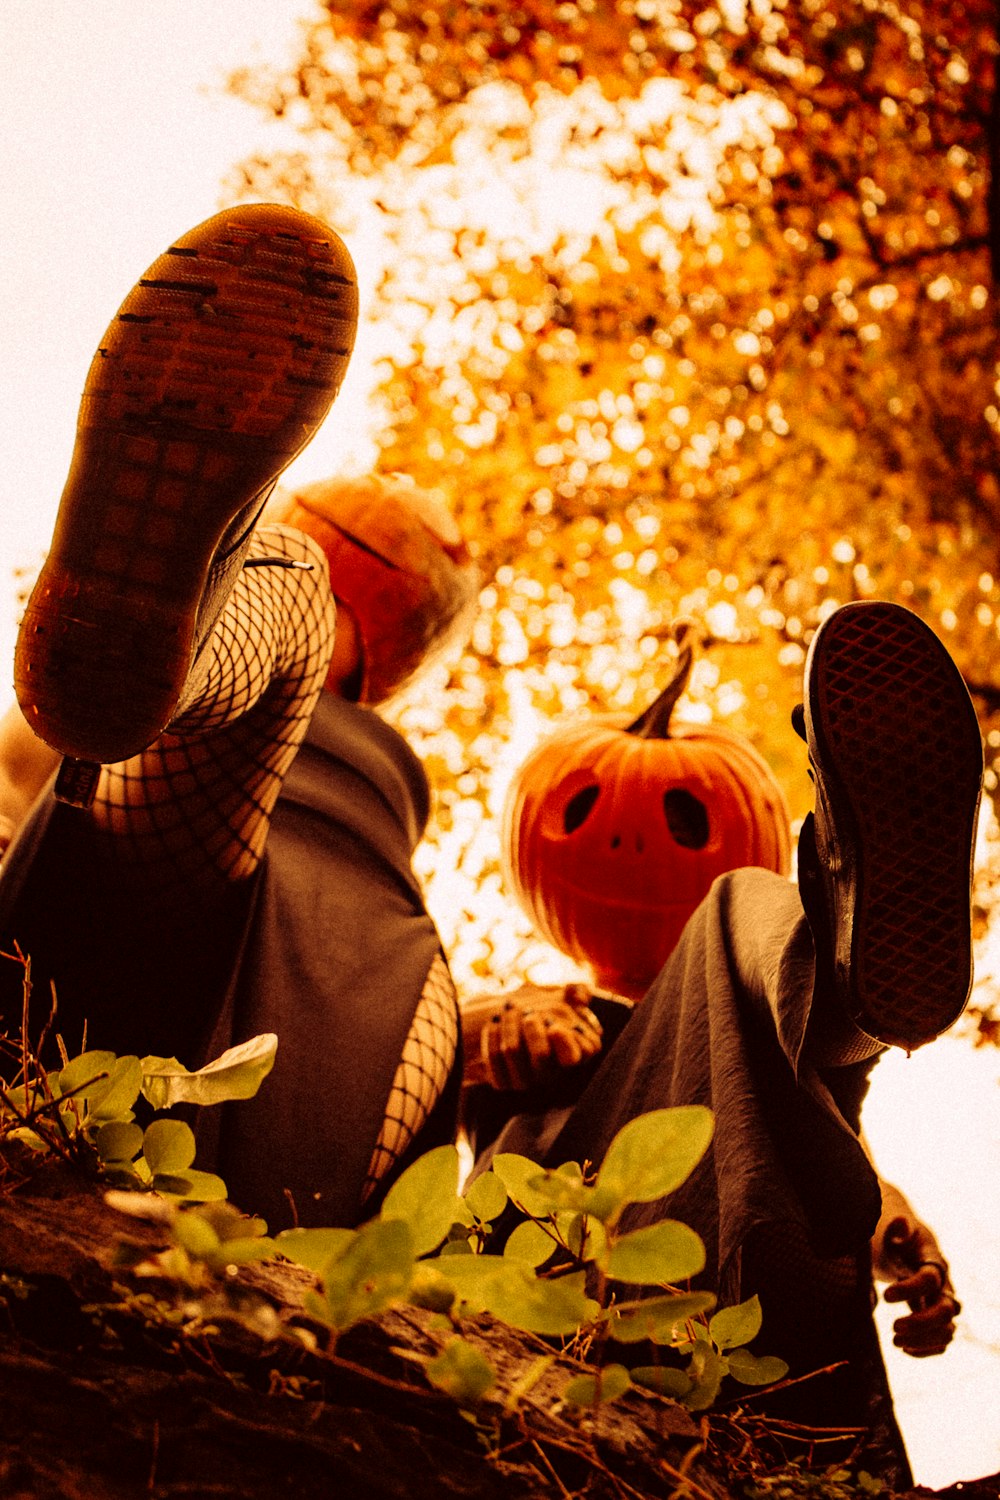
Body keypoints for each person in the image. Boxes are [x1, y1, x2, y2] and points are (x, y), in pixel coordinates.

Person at [0, 204, 979, 1485]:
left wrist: (846, 1177)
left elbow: (513, 1118)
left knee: (738, 926)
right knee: (275, 618)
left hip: (363, 1153)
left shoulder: (407, 902)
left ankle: (840, 982)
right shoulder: (287, 646)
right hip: (145, 975)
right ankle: (149, 666)